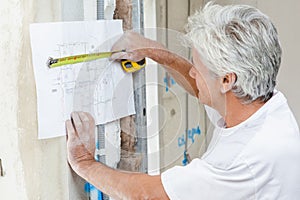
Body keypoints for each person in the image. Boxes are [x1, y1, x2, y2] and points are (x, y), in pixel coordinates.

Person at [66, 3, 300, 199]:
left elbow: (150, 194)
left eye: (198, 67)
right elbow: (203, 89)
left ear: (227, 80)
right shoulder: (257, 101)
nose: (192, 73)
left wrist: (84, 162)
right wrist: (156, 51)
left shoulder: (245, 159)